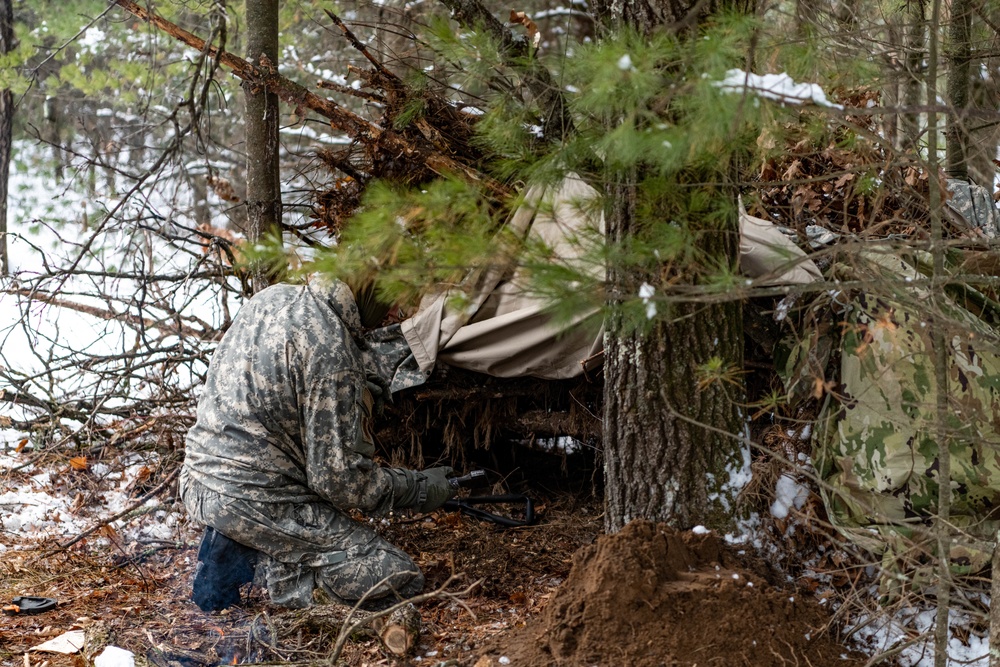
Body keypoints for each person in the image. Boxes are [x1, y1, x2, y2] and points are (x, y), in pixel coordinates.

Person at [179, 278, 456, 611]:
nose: (394, 311)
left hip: (198, 480)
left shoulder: (272, 297)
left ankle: (240, 543)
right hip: (253, 501)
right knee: (397, 575)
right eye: (391, 301)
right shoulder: (333, 349)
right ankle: (268, 570)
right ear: (369, 289)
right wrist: (418, 489)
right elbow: (340, 483)